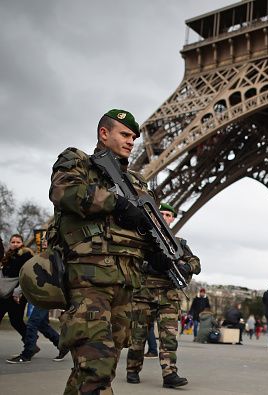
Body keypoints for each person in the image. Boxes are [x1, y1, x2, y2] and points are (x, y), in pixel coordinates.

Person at [49, 109, 160, 393]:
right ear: (104, 133)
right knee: (95, 371)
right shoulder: (78, 162)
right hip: (89, 282)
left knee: (100, 372)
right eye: (124, 134)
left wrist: (159, 253)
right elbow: (64, 193)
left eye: (134, 137)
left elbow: (147, 230)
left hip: (126, 285)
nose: (131, 141)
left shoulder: (136, 182)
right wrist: (117, 203)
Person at [126, 202, 200, 388]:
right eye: (163, 214)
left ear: (173, 218)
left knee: (169, 337)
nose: (166, 217)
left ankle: (169, 374)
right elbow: (130, 262)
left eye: (169, 215)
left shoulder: (178, 244)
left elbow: (196, 263)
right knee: (138, 335)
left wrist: (184, 267)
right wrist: (148, 265)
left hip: (169, 296)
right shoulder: (144, 239)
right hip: (144, 294)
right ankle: (132, 369)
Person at [0, 234, 33, 346]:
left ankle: (30, 343)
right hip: (6, 293)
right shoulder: (8, 255)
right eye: (13, 242)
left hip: (17, 293)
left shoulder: (26, 255)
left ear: (22, 243)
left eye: (18, 242)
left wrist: (18, 291)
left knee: (16, 321)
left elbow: (26, 275)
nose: (15, 244)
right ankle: (30, 342)